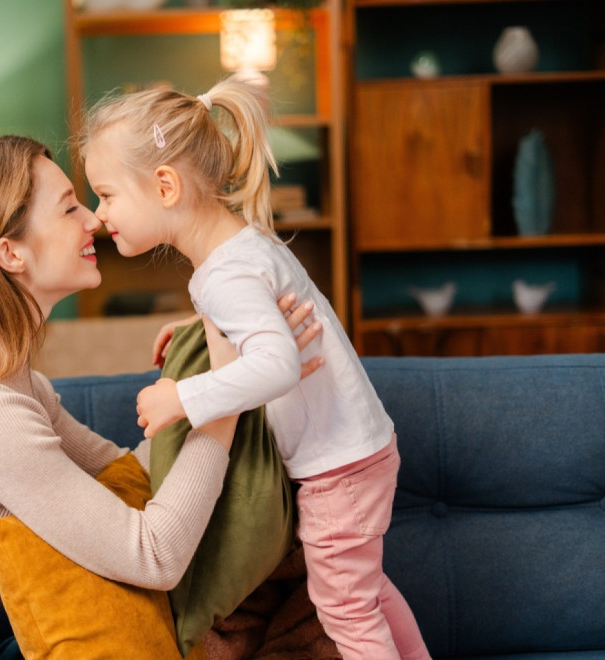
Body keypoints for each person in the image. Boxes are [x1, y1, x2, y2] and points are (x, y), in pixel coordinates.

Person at [0, 135, 323, 660]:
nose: (94, 221)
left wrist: (225, 361)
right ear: (9, 253)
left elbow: (130, 476)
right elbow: (153, 555)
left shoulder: (18, 387)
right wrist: (223, 402)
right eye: (68, 209)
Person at [80, 79, 432, 660]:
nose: (99, 216)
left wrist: (183, 398)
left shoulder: (226, 274)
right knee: (364, 594)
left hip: (337, 470)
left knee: (345, 608)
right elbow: (257, 315)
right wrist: (200, 327)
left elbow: (277, 365)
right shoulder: (237, 249)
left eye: (106, 195)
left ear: (165, 186)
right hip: (357, 452)